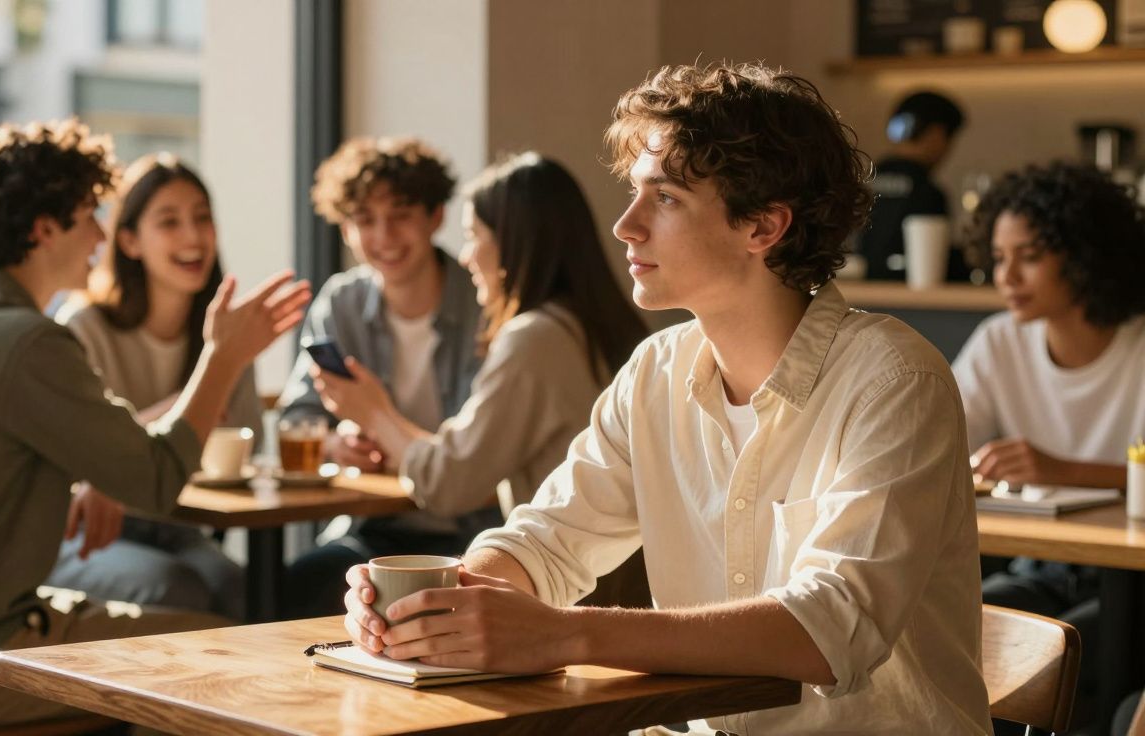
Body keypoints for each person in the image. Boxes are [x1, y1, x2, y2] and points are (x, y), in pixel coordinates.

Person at [342, 63, 993, 734]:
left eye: (666, 198)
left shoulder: (894, 380)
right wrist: (443, 604)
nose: (626, 225)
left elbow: (831, 628)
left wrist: (565, 634)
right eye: (635, 194)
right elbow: (546, 541)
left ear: (763, 226)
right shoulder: (656, 370)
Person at [0, 120, 310, 729]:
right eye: (89, 215)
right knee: (237, 657)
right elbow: (157, 479)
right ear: (43, 230)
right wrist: (222, 357)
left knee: (215, 624)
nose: (100, 234)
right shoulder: (26, 342)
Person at [297, 153, 650, 616]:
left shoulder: (534, 338)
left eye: (472, 237)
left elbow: (450, 483)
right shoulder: (600, 327)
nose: (465, 256)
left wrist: (375, 413)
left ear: (512, 242)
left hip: (561, 589)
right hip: (599, 583)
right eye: (364, 220)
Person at [953, 162, 1145, 732]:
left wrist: (1062, 469)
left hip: (1134, 582)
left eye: (1030, 256)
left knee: (1061, 654)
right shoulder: (999, 341)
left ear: (1086, 256)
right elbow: (939, 444)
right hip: (1043, 565)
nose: (1006, 275)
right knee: (960, 633)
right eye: (999, 257)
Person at [278, 137, 490, 607]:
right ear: (345, 229)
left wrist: (380, 420)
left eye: (400, 215)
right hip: (372, 528)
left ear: (435, 216)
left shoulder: (481, 304)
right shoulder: (341, 303)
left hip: (473, 531)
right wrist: (337, 443)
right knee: (303, 581)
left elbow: (480, 456)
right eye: (364, 220)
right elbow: (297, 419)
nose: (384, 236)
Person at [43, 153, 258, 620]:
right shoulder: (84, 327)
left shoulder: (224, 330)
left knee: (243, 589)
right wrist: (189, 401)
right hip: (82, 532)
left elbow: (245, 442)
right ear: (129, 241)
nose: (193, 236)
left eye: (202, 218)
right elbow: (82, 459)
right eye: (169, 221)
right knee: (178, 588)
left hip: (178, 528)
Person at [857, 90, 966, 280]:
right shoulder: (928, 194)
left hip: (857, 290)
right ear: (936, 134)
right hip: (907, 295)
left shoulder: (861, 183)